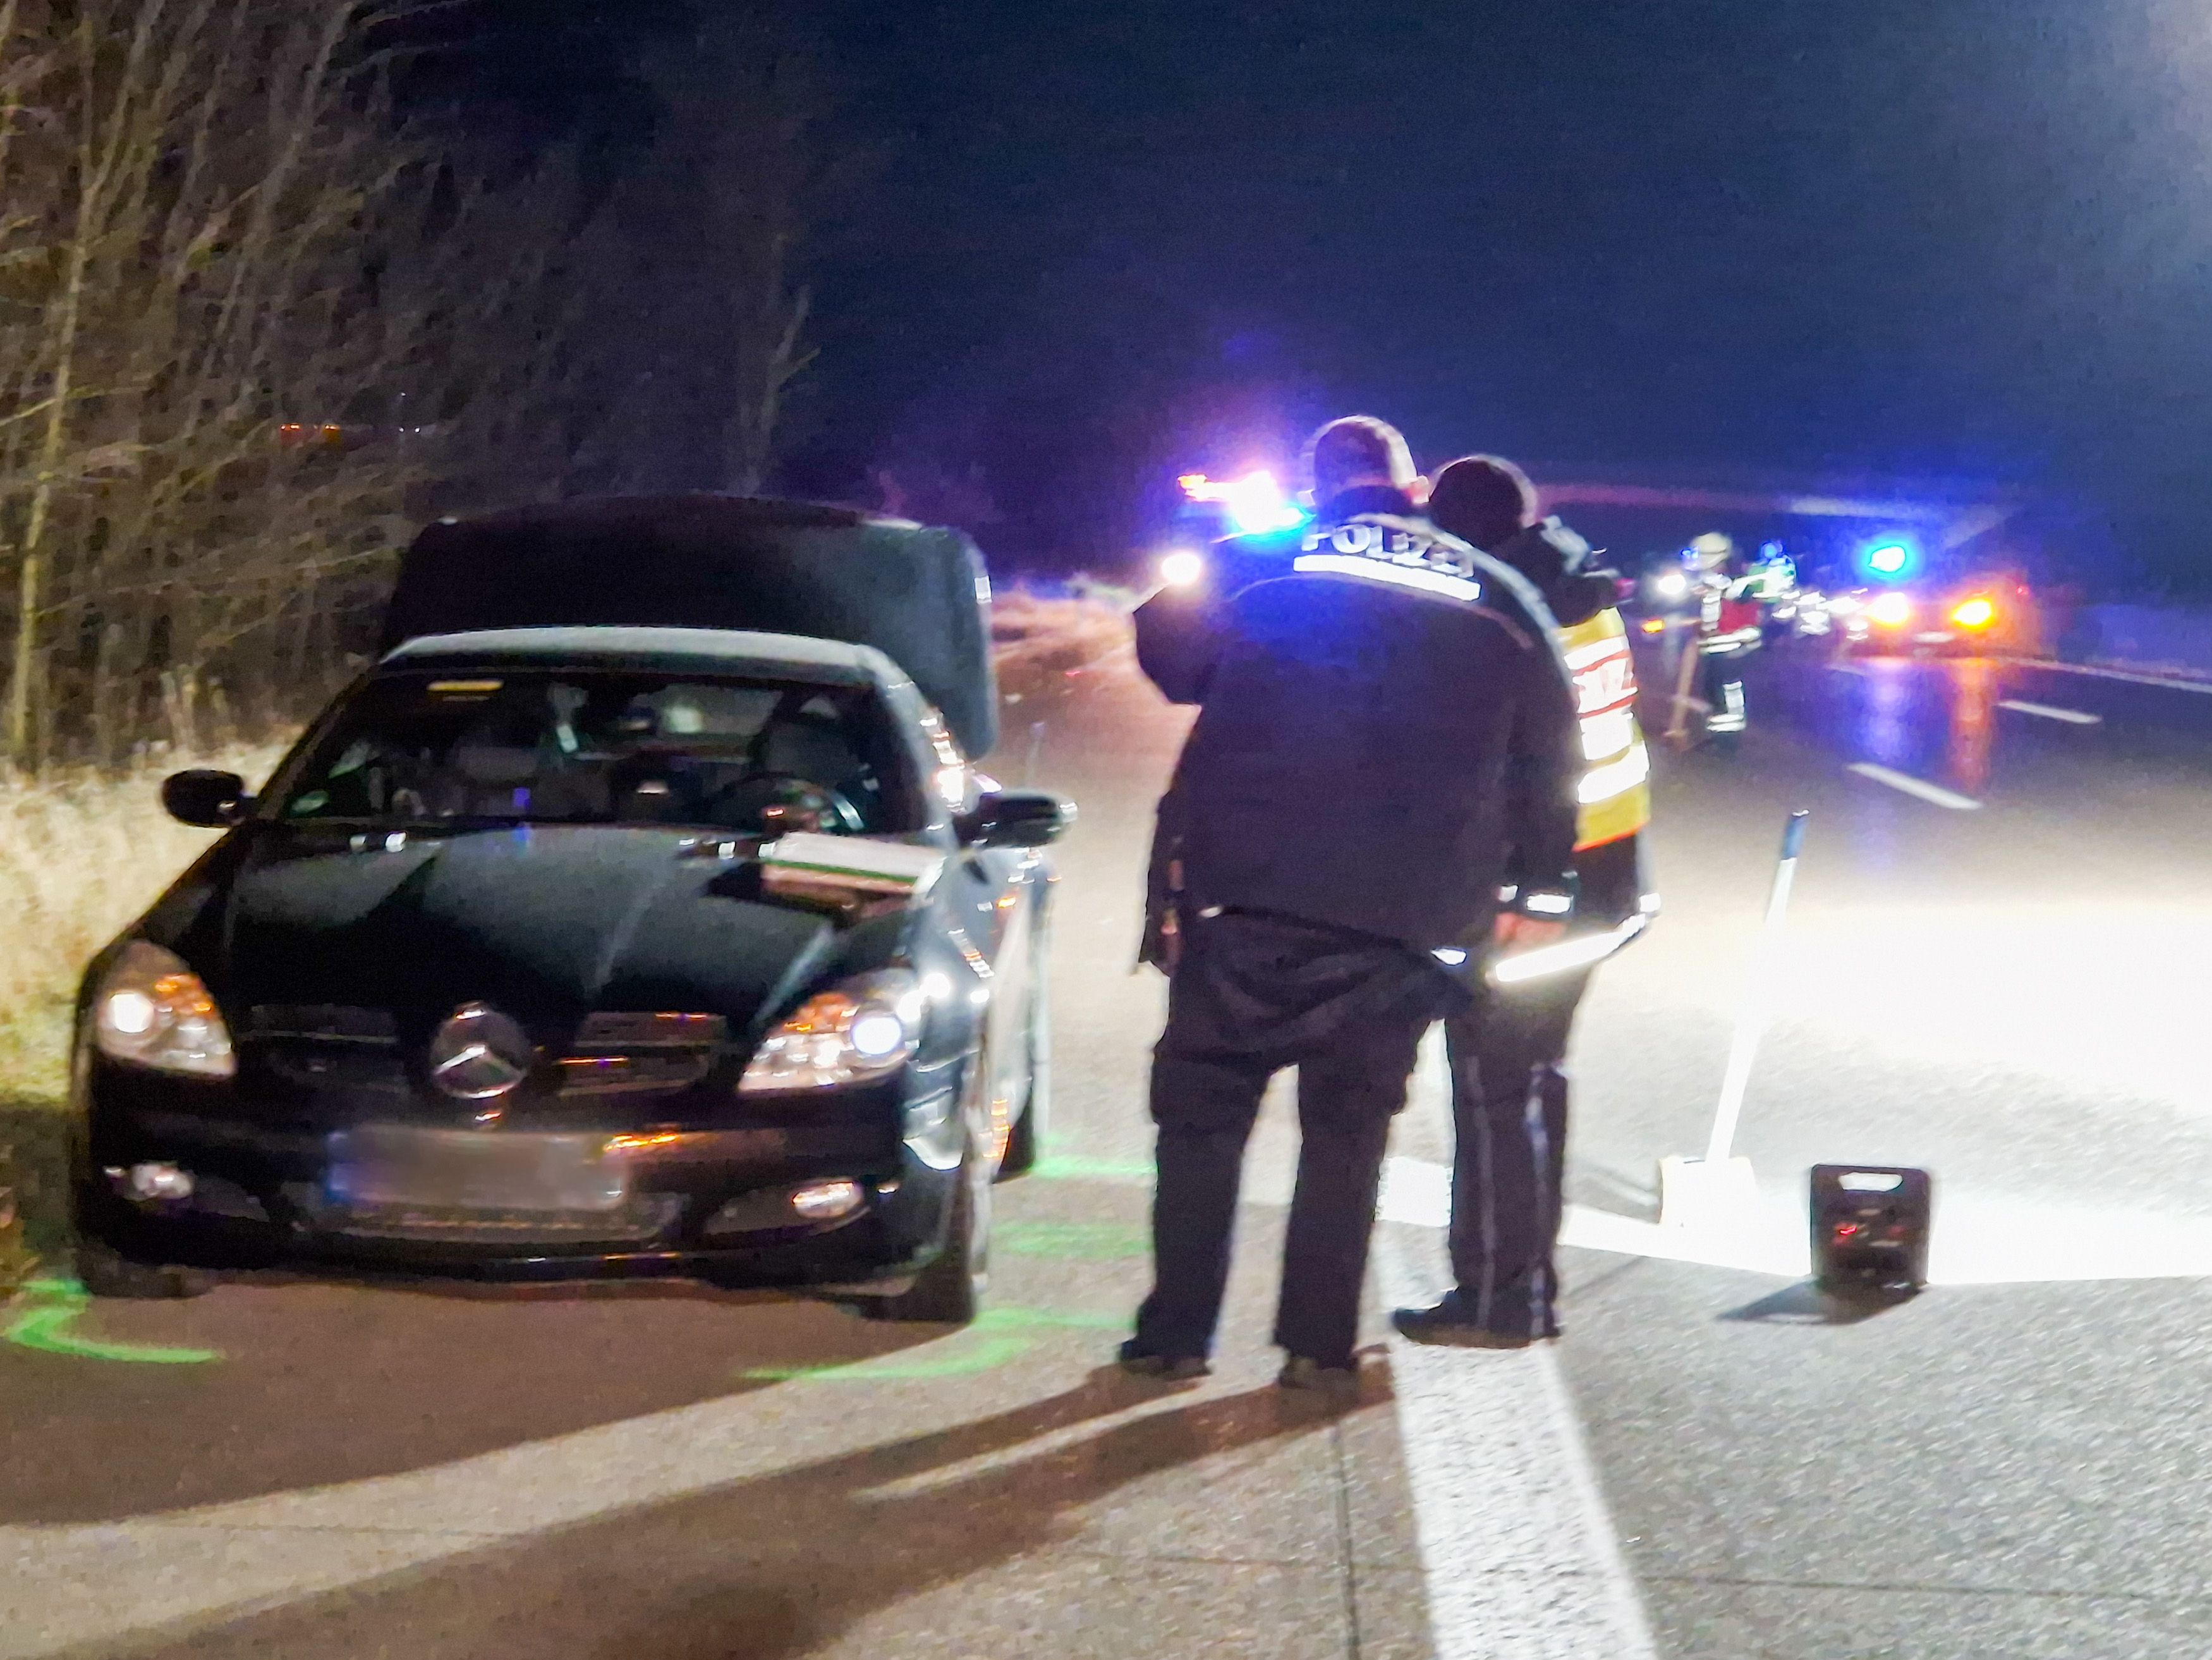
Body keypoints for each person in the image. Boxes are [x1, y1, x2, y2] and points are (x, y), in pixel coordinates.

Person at [1123, 418, 1583, 1389]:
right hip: (1409, 913)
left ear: (1314, 482)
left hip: (1242, 897)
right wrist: (1539, 888)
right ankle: (1317, 1346)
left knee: (1203, 1120)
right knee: (1348, 1130)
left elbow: (1167, 657)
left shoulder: (1261, 560)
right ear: (1411, 489)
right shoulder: (1499, 594)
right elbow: (1551, 747)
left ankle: (1174, 1337)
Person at [1394, 455, 1656, 1348]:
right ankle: (1526, 1285)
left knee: (1493, 1091)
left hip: (1539, 891)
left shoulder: (1516, 611)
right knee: (1534, 1084)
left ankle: (1501, 1299)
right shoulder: (1577, 586)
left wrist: (1513, 889)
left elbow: (1529, 766)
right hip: (1607, 877)